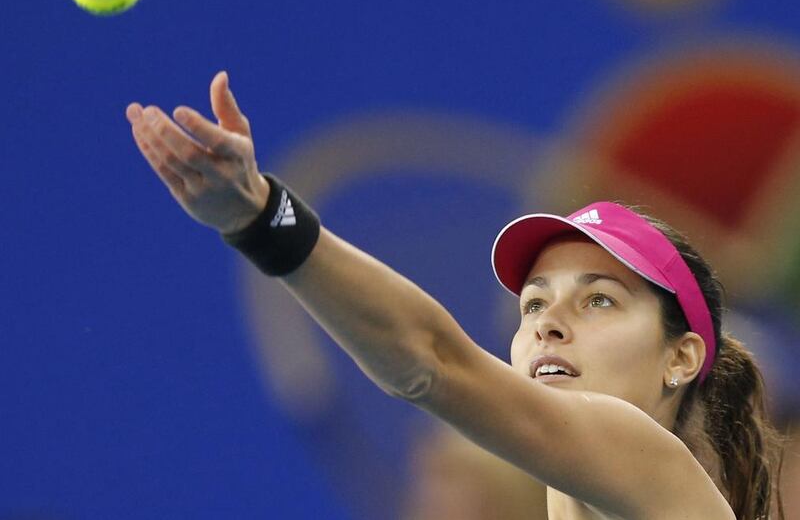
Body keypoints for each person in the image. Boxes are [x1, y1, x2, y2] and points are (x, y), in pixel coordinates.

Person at [125, 71, 787, 519]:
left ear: (681, 357)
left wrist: (263, 218)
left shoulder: (655, 464)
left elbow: (432, 359)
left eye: (600, 300)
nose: (548, 323)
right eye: (533, 303)